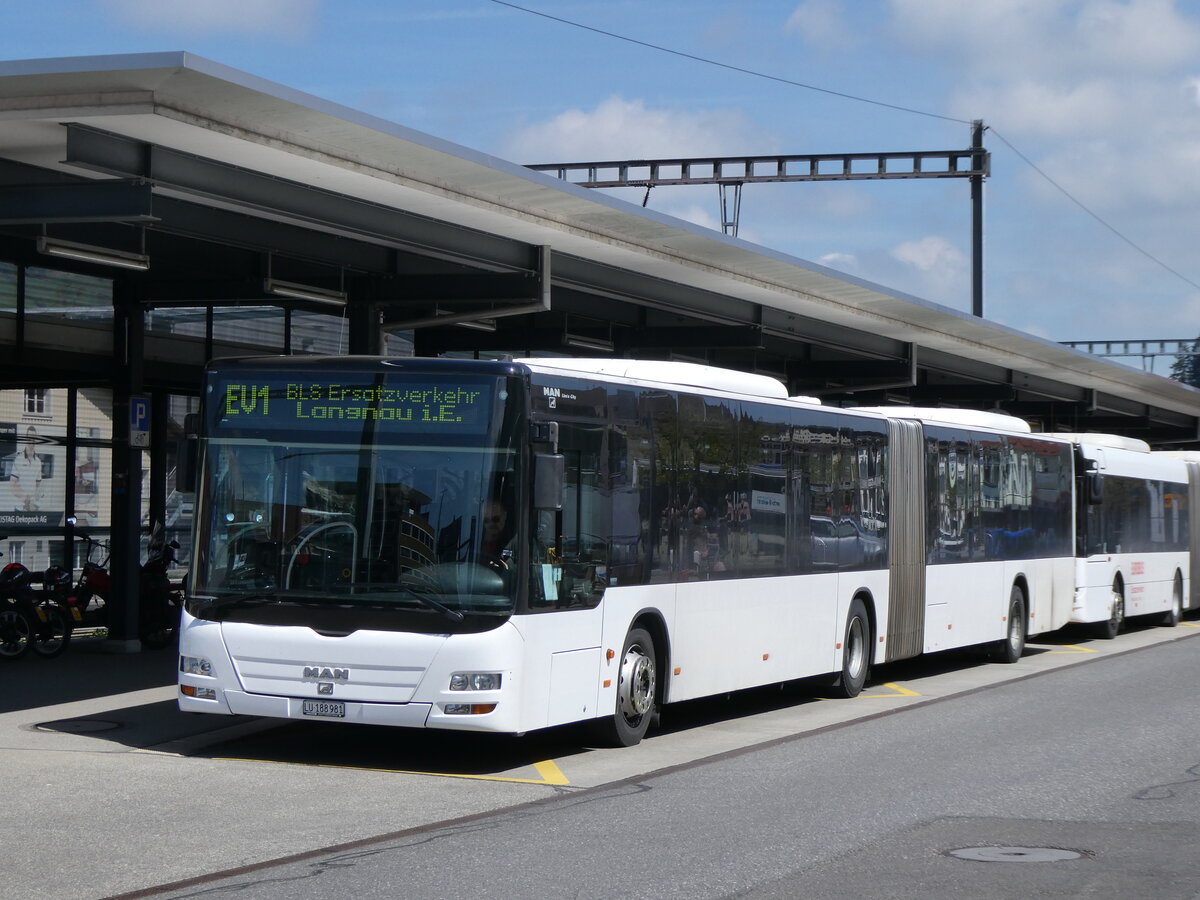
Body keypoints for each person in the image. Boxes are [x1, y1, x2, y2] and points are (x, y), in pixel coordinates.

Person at [10, 426, 42, 511]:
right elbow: (13, 485)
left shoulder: (38, 462)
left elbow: (38, 485)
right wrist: (25, 499)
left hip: (32, 508)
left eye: (34, 437)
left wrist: (36, 502)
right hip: (19, 508)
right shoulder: (18, 459)